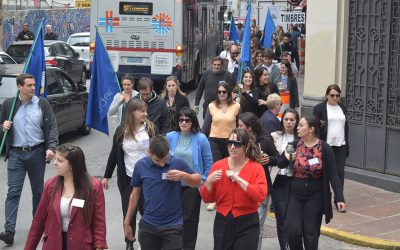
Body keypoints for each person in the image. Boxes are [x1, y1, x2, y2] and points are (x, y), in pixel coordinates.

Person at [0, 73, 58, 245]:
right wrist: (3, 127)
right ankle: (9, 231)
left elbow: (52, 127)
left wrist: (51, 147)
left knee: (38, 192)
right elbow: (1, 127)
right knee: (13, 192)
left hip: (37, 153)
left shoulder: (43, 104)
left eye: (34, 84)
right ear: (19, 87)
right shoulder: (9, 104)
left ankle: (37, 227)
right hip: (16, 154)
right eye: (29, 85)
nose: (33, 87)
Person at [123, 135, 202, 250]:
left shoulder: (177, 163)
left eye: (165, 160)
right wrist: (127, 222)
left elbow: (198, 181)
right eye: (157, 160)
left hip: (173, 226)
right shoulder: (140, 165)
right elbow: (134, 195)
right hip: (149, 225)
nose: (162, 164)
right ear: (149, 152)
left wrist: (184, 175)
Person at [281, 115, 346, 250]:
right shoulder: (294, 145)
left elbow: (333, 174)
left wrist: (339, 197)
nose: (297, 127)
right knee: (292, 230)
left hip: (316, 194)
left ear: (311, 129)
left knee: (310, 234)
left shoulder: (325, 148)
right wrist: (285, 157)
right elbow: (280, 163)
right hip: (295, 193)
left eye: (301, 125)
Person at [24, 144, 108, 250]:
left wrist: (99, 246)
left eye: (60, 160)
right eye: (55, 159)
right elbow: (38, 221)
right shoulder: (50, 185)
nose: (54, 163)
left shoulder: (93, 186)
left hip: (81, 245)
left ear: (73, 165)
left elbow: (99, 221)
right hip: (53, 244)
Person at [200, 128, 267, 250]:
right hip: (223, 219)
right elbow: (207, 198)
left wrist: (239, 179)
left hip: (247, 220)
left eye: (237, 144)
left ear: (246, 147)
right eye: (229, 143)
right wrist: (209, 182)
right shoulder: (218, 166)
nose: (232, 147)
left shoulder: (256, 168)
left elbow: (260, 195)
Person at [103, 99, 156, 250]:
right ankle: (129, 243)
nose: (146, 114)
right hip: (127, 178)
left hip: (148, 179)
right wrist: (107, 176)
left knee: (147, 212)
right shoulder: (121, 131)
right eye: (142, 111)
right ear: (132, 113)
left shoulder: (151, 129)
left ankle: (147, 242)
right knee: (128, 211)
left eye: (146, 110)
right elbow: (114, 154)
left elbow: (160, 151)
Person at [166, 107, 213, 250]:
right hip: (173, 185)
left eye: (187, 120)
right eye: (181, 119)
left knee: (190, 219)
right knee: (173, 217)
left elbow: (209, 163)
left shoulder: (201, 138)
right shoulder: (170, 136)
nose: (184, 122)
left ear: (192, 122)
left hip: (192, 185)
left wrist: (203, 181)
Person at [237, 113, 280, 250]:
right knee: (241, 223)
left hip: (261, 187)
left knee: (258, 225)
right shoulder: (238, 140)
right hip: (241, 186)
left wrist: (269, 159)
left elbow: (278, 158)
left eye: (240, 125)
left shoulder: (265, 141)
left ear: (249, 128)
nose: (238, 128)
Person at [313, 84, 349, 209]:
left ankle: (339, 200)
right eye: (332, 95)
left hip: (341, 145)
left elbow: (346, 127)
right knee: (324, 173)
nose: (334, 98)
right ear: (327, 95)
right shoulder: (320, 108)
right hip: (326, 146)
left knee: (340, 174)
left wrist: (347, 144)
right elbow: (315, 128)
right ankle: (323, 199)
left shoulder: (342, 108)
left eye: (337, 96)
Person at [271, 108, 300, 250]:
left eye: (292, 120)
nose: (288, 122)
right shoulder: (274, 136)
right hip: (279, 180)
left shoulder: (301, 140)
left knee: (292, 218)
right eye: (286, 119)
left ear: (297, 122)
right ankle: (285, 246)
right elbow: (272, 159)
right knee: (281, 217)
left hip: (295, 181)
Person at [202, 81, 241, 163]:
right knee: (218, 165)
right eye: (219, 92)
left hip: (231, 141)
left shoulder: (236, 106)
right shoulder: (211, 106)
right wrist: (200, 141)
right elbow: (205, 127)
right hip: (214, 141)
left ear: (228, 92)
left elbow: (240, 125)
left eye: (224, 92)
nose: (221, 94)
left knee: (229, 165)